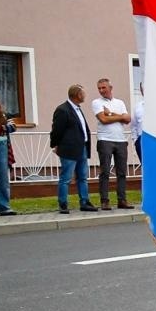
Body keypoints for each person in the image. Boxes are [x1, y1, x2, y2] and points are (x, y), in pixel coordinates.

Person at [49, 84, 97, 214]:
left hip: (82, 147)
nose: (85, 95)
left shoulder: (77, 109)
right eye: (83, 93)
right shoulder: (63, 110)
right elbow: (57, 130)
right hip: (69, 149)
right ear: (78, 95)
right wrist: (55, 145)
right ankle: (63, 203)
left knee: (82, 176)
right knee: (66, 178)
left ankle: (85, 201)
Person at [90, 77, 133, 210]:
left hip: (120, 140)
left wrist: (112, 114)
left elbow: (128, 119)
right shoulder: (96, 102)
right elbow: (103, 119)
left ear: (110, 88)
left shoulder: (119, 102)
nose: (101, 90)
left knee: (122, 172)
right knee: (105, 172)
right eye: (99, 88)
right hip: (105, 140)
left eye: (104, 87)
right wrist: (119, 116)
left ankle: (122, 200)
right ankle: (105, 201)